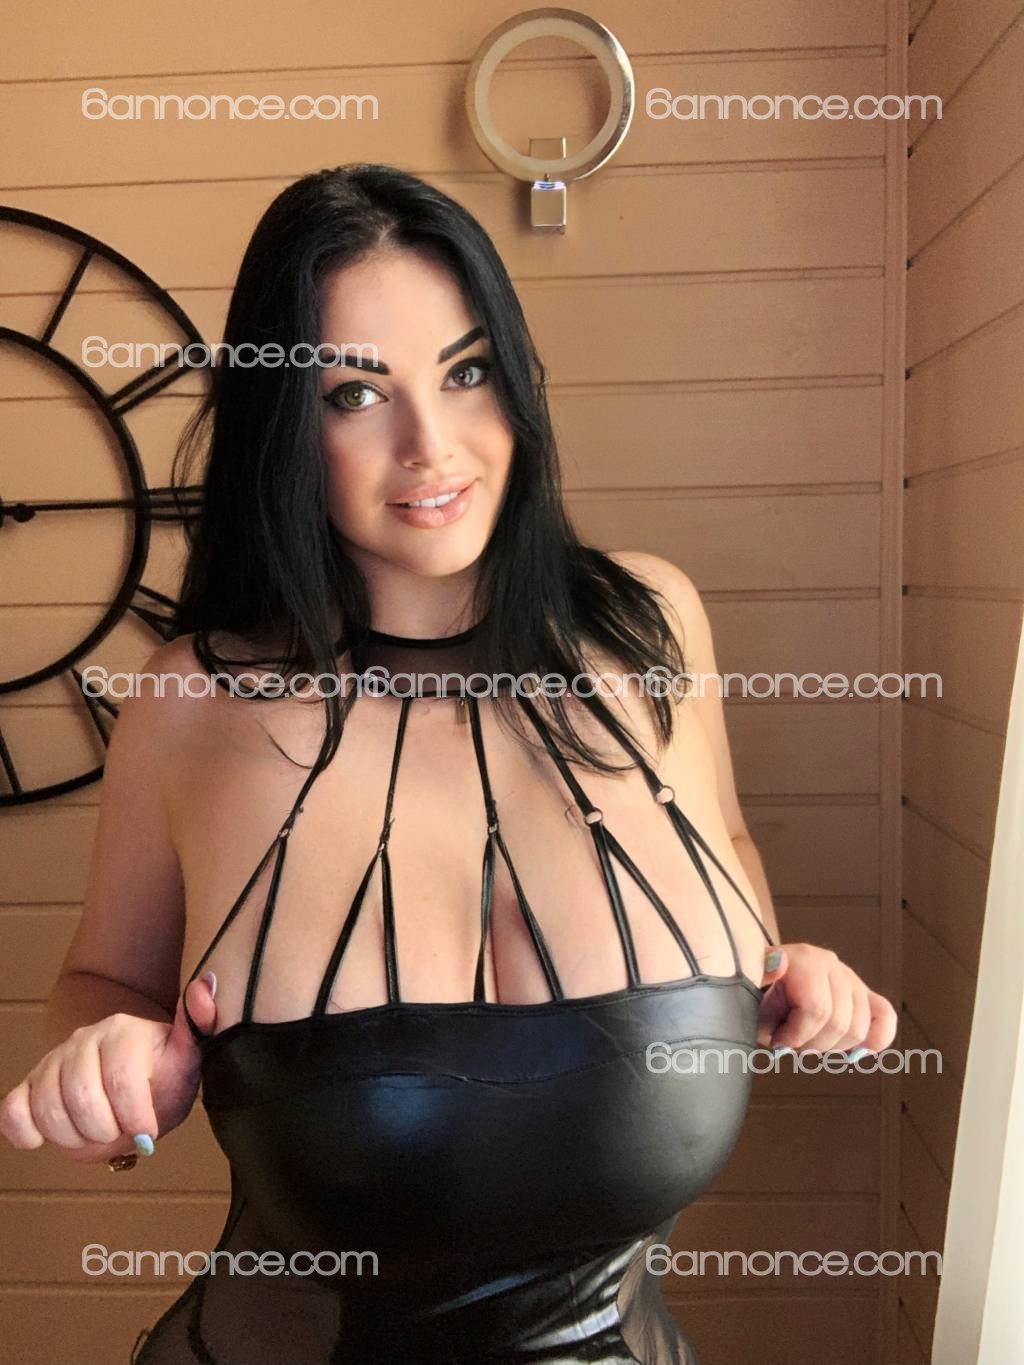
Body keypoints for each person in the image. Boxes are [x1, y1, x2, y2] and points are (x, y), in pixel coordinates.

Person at [0, 165, 897, 1363]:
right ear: (285, 428)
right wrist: (107, 1078)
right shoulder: (194, 703)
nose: (431, 446)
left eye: (466, 373)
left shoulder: (650, 630)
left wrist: (774, 971)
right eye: (355, 394)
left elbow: (717, 844)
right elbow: (105, 977)